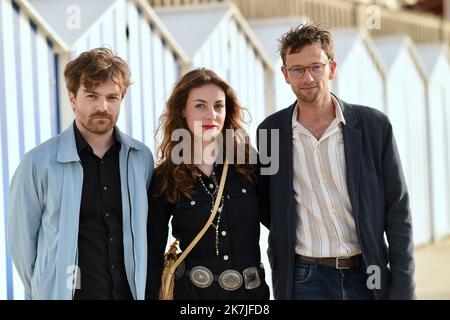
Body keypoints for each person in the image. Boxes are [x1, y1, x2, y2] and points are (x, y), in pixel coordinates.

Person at [257, 24, 415, 300]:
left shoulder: (373, 127)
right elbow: (270, 206)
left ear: (331, 68)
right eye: (297, 69)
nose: (308, 77)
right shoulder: (270, 133)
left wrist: (403, 285)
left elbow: (397, 210)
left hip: (368, 273)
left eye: (316, 67)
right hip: (304, 278)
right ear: (285, 75)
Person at [7, 48, 154, 300]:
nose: (102, 107)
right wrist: (46, 291)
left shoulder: (140, 158)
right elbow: (22, 246)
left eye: (112, 97)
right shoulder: (38, 163)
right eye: (92, 96)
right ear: (72, 97)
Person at [146, 68, 270, 300]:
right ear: (183, 110)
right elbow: (152, 252)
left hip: (250, 298)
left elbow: (280, 224)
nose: (211, 114)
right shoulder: (166, 177)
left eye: (218, 106)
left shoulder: (248, 164)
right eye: (200, 105)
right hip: (192, 297)